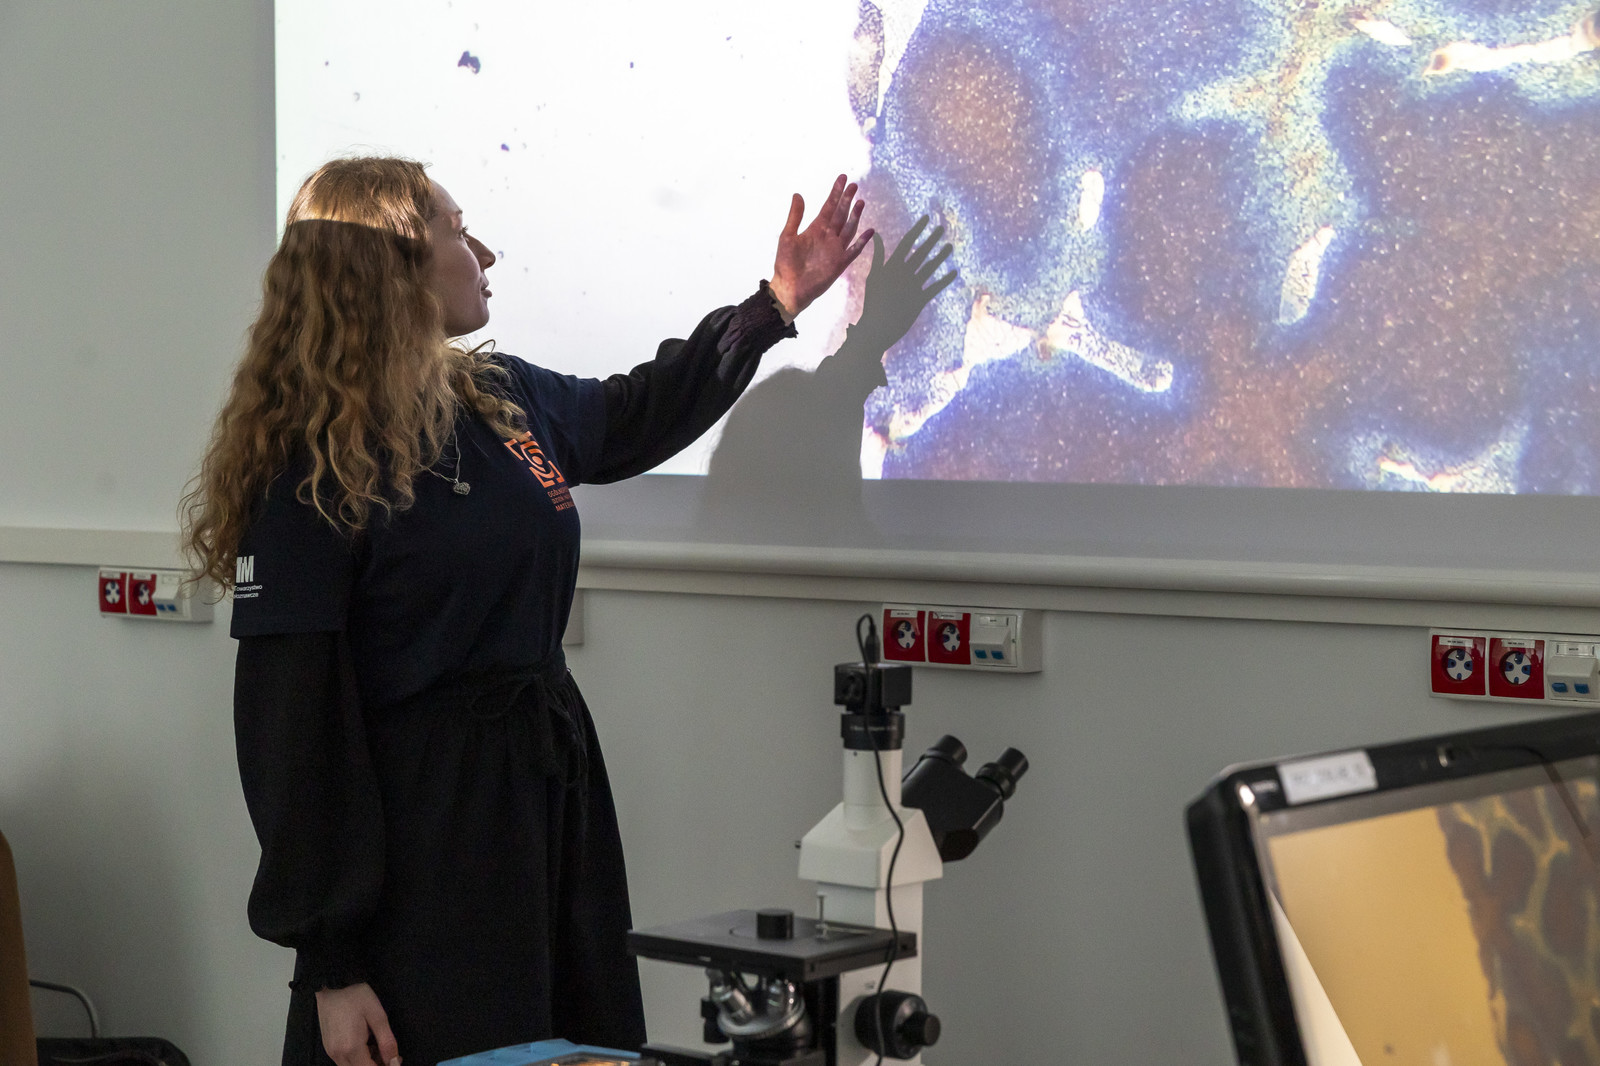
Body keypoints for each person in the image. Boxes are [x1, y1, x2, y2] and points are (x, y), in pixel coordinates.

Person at [181, 156, 872, 1066]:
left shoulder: (495, 397)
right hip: (424, 840)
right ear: (393, 267)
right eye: (458, 232)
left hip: (546, 804)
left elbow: (637, 411)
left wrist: (774, 306)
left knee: (570, 1043)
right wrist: (331, 966)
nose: (484, 253)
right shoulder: (313, 471)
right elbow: (290, 736)